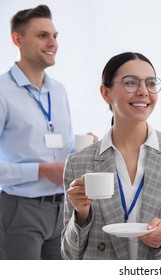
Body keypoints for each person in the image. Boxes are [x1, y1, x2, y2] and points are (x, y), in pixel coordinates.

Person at [61, 52, 161, 260]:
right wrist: (80, 215)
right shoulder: (78, 162)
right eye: (131, 83)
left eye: (151, 83)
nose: (143, 91)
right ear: (106, 93)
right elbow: (69, 254)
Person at [0, 5, 73, 260]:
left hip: (62, 211)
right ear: (17, 40)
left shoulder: (59, 91)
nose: (53, 43)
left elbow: (66, 148)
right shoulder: (2, 91)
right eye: (43, 35)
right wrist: (41, 170)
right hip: (20, 210)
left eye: (55, 36)